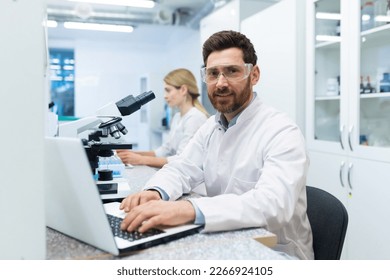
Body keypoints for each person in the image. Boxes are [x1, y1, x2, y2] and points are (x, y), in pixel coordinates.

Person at [119, 30, 314, 260]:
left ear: (254, 75)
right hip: (225, 240)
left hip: (274, 252)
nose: (220, 83)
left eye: (232, 71)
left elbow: (273, 205)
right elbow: (181, 168)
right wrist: (155, 192)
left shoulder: (281, 131)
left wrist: (188, 209)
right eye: (213, 74)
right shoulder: (212, 126)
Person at [116, 68, 209, 168]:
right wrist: (131, 154)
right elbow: (165, 150)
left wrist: (140, 159)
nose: (165, 96)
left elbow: (183, 159)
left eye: (168, 90)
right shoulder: (178, 117)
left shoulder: (195, 118)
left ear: (183, 90)